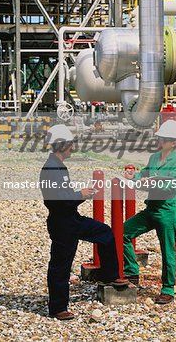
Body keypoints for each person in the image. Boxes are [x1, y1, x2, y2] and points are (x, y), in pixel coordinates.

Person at [40, 124, 128, 320]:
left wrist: (79, 194)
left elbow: (62, 196)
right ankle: (57, 308)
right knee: (61, 265)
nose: (73, 147)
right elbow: (59, 200)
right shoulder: (52, 168)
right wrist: (82, 194)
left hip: (70, 219)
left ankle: (108, 274)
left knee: (104, 233)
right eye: (70, 144)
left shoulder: (57, 165)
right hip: (63, 222)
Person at [123, 120, 176, 305]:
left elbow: (174, 185)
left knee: (168, 251)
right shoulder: (154, 157)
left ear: (173, 142)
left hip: (167, 210)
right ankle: (131, 271)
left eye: (164, 138)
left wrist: (154, 182)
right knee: (122, 233)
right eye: (159, 137)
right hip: (152, 208)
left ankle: (168, 289)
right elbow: (144, 174)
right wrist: (132, 177)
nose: (160, 140)